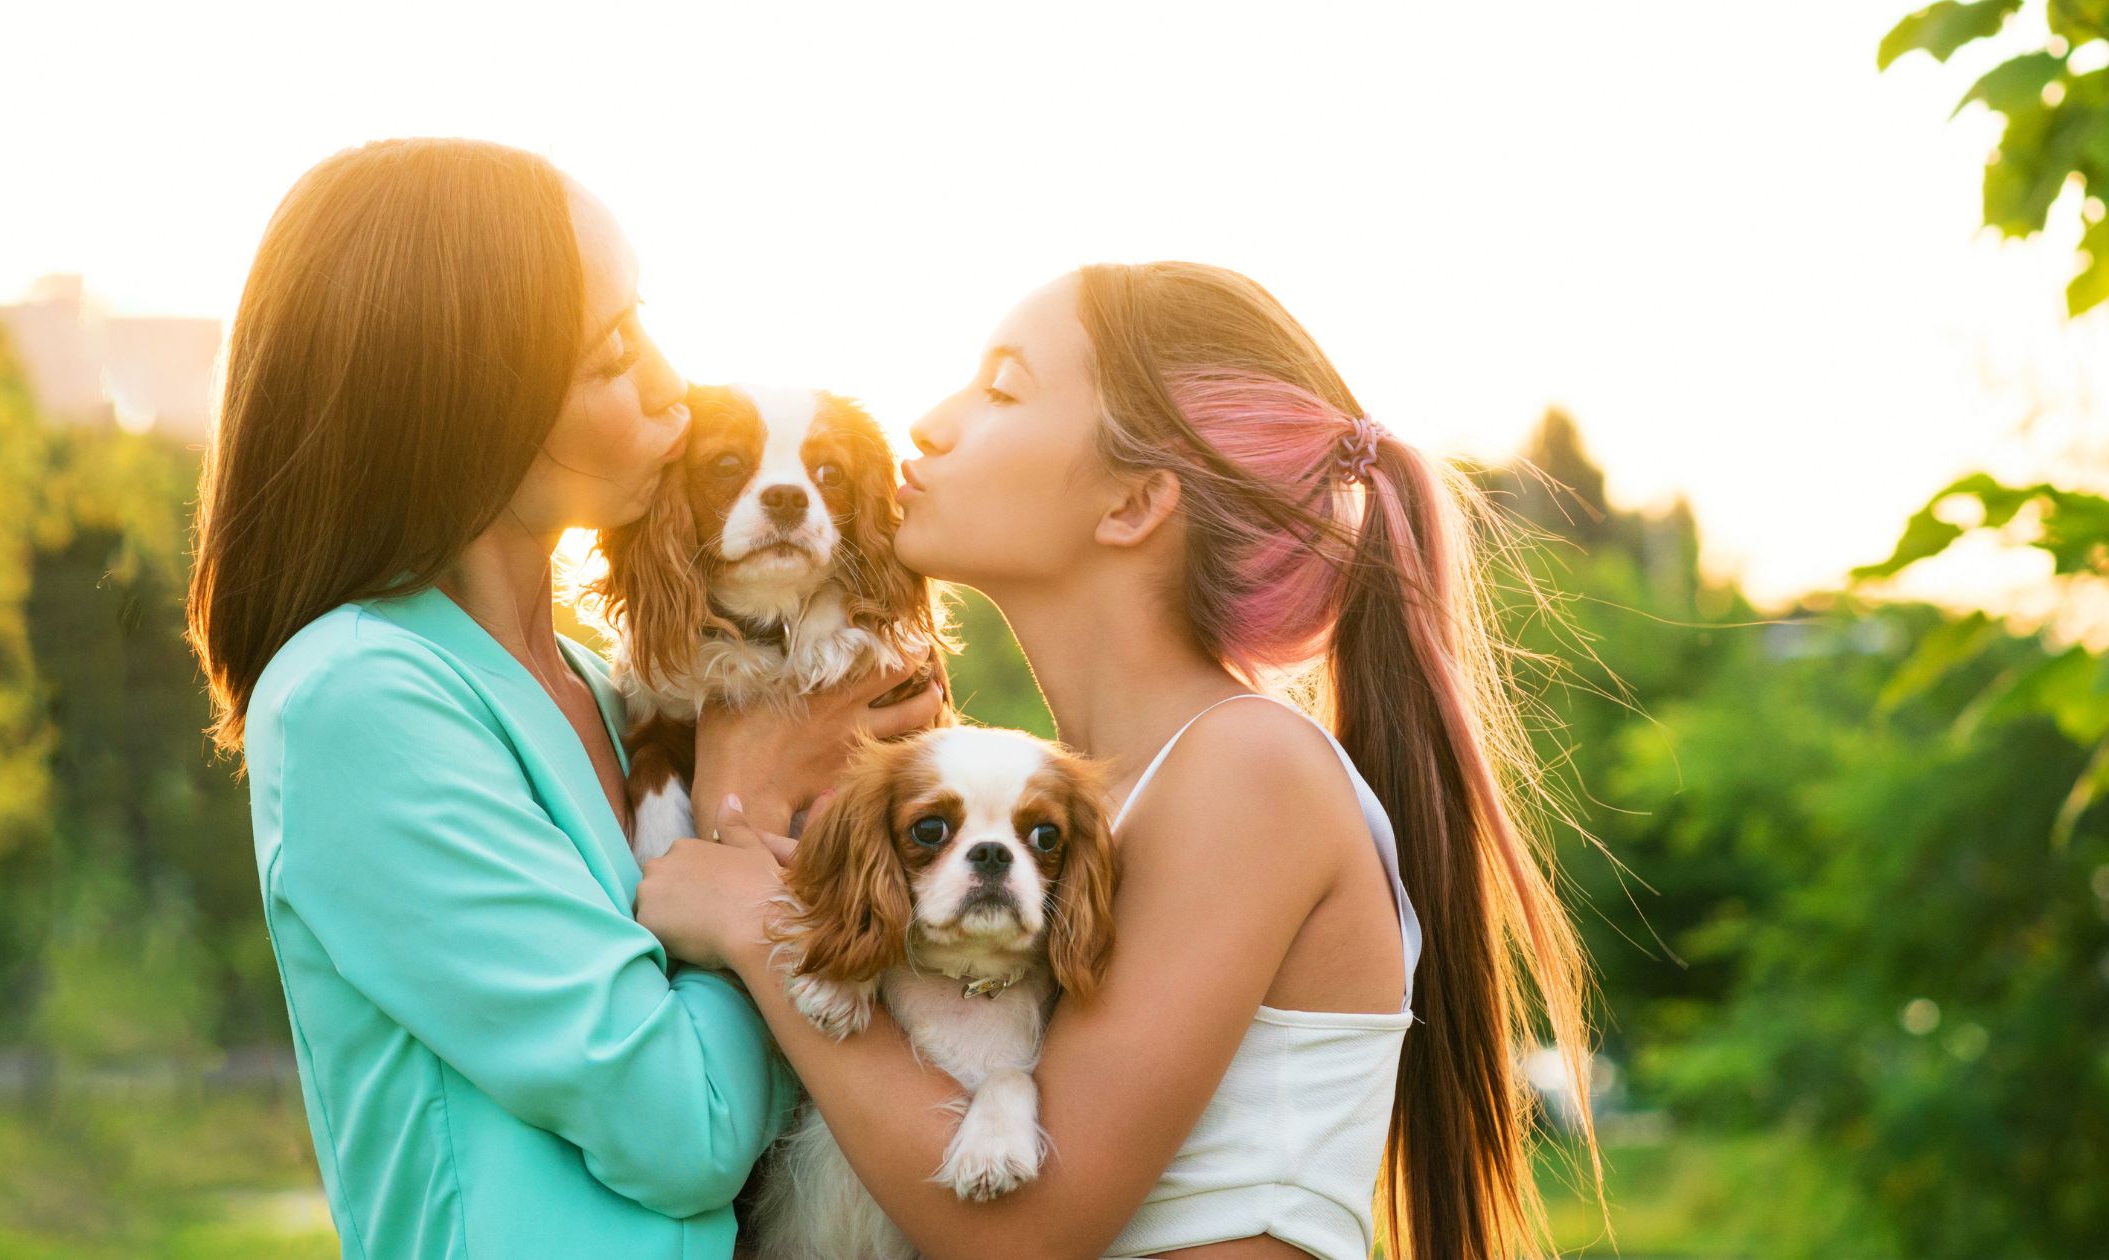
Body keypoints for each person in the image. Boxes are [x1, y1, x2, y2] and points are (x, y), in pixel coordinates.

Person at [639, 262, 1606, 1260]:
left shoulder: (1245, 767)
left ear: (1134, 502)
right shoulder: (1068, 792)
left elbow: (1024, 1230)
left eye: (1001, 389)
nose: (927, 424)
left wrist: (763, 929)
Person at [184, 137, 942, 1259]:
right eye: (610, 353)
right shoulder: (359, 699)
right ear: (466, 405)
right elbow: (682, 1127)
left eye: (647, 322)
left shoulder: (603, 688)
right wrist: (740, 810)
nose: (668, 382)